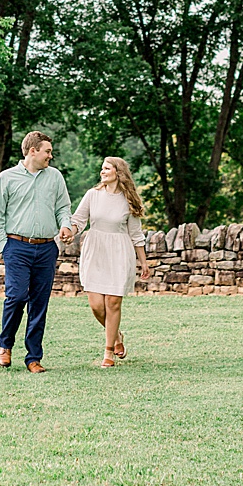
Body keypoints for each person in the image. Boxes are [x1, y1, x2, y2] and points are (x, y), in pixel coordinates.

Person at [0, 130, 76, 373]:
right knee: (16, 297)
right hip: (16, 246)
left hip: (47, 247)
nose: (51, 155)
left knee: (40, 302)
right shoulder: (6, 178)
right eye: (47, 151)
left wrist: (65, 225)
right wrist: (5, 247)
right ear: (32, 151)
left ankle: (34, 358)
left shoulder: (55, 177)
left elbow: (63, 207)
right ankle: (5, 345)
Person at [69, 156, 152, 368]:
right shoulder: (92, 195)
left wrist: (143, 262)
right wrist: (70, 231)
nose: (102, 172)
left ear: (118, 172)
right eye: (102, 169)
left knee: (113, 302)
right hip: (95, 250)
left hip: (119, 252)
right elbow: (78, 220)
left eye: (106, 168)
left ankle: (108, 353)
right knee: (97, 306)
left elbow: (136, 234)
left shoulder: (129, 200)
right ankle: (116, 336)